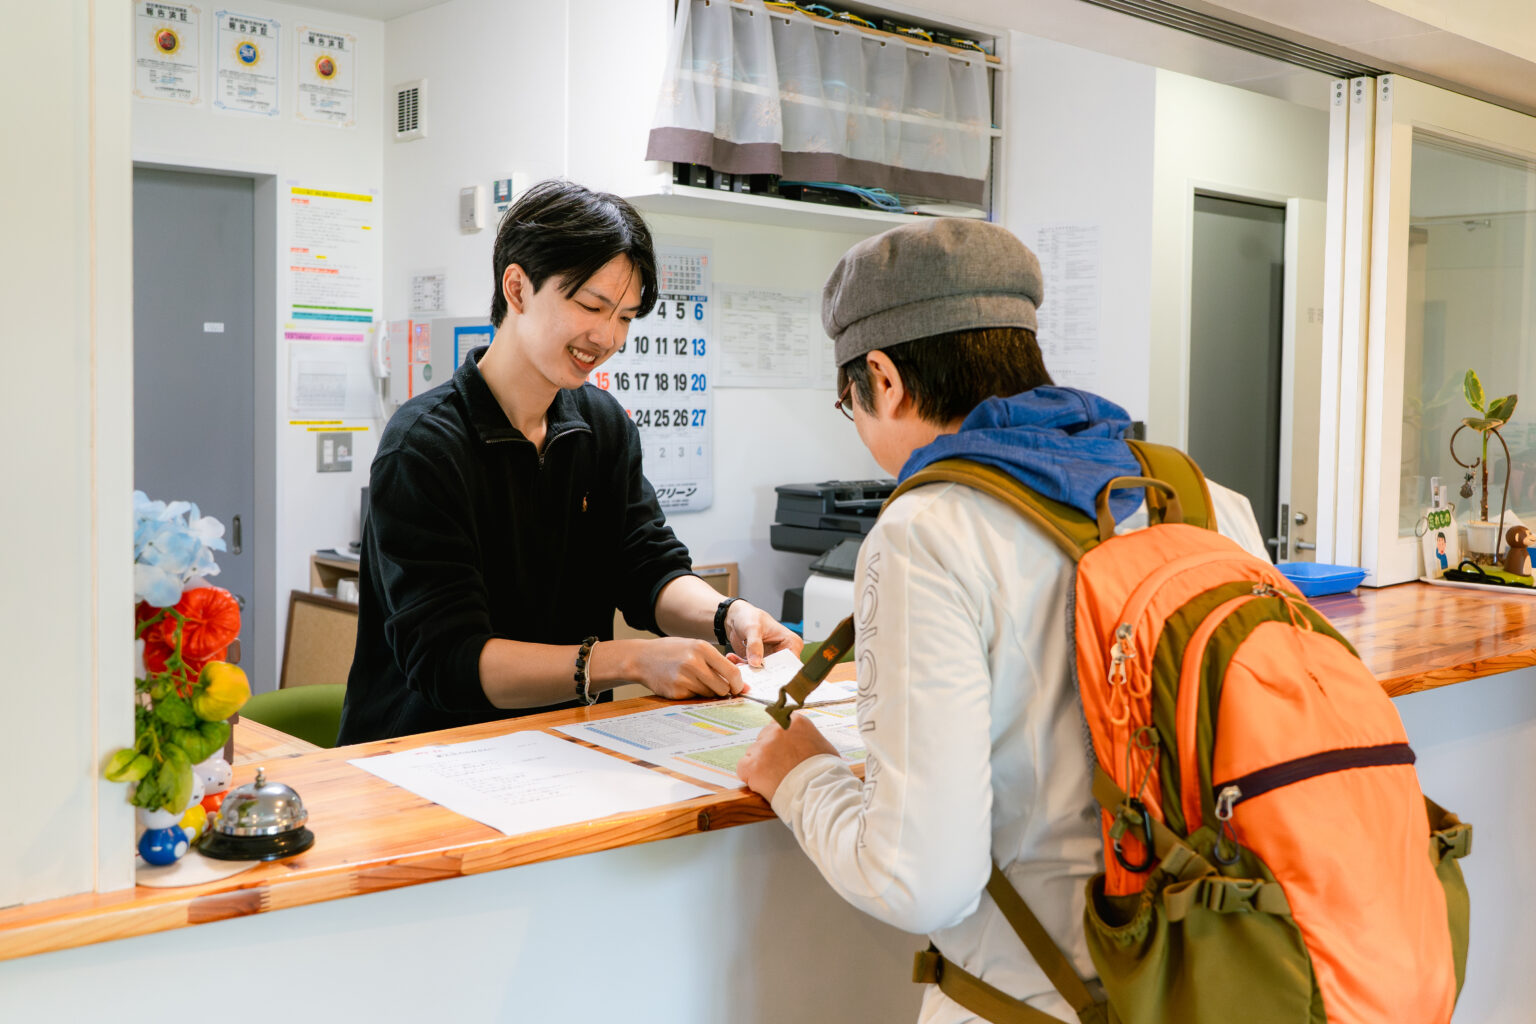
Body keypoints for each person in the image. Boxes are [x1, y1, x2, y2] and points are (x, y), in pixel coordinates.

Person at [736, 219, 1268, 1023]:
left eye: (850, 400)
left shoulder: (930, 531)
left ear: (882, 376)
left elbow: (920, 880)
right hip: (1227, 977)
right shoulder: (1205, 500)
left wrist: (801, 776)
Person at [340, 180, 799, 744]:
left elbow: (647, 569)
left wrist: (728, 616)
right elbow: (450, 660)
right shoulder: (424, 445)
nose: (606, 337)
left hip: (565, 748)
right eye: (591, 306)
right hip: (421, 759)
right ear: (517, 288)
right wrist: (628, 661)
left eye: (626, 317)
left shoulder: (602, 427)